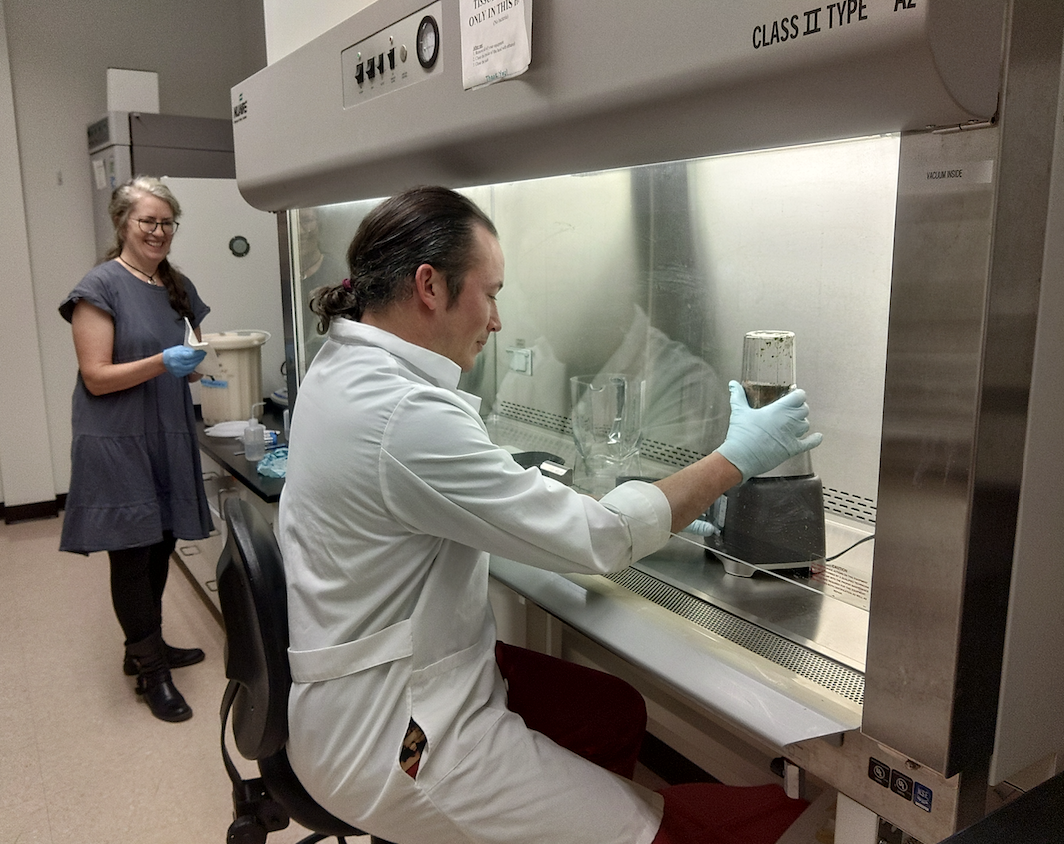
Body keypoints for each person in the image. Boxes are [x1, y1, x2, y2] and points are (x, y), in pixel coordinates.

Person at [279, 186, 821, 843]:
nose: (500, 320)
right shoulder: (402, 413)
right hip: (400, 739)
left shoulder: (345, 366)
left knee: (609, 711)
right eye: (492, 292)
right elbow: (600, 538)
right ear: (430, 285)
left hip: (385, 688)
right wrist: (737, 458)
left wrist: (651, 504)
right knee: (662, 831)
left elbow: (463, 490)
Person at [59, 176, 213, 724]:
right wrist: (161, 364)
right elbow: (97, 377)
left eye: (168, 222)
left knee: (163, 539)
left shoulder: (175, 284)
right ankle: (152, 673)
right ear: (123, 223)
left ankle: (144, 645)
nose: (159, 231)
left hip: (165, 430)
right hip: (117, 438)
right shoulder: (98, 286)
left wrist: (196, 369)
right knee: (132, 549)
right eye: (148, 220)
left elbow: (189, 348)